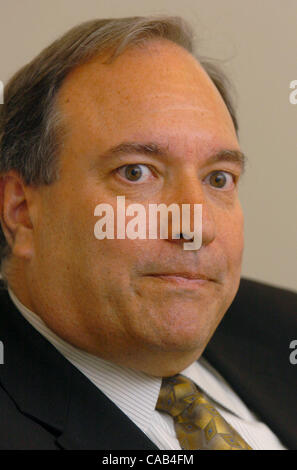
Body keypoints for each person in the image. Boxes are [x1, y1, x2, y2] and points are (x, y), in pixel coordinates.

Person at [0, 16, 296, 450]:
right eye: (136, 172)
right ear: (22, 212)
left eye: (218, 179)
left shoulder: (284, 327)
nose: (196, 226)